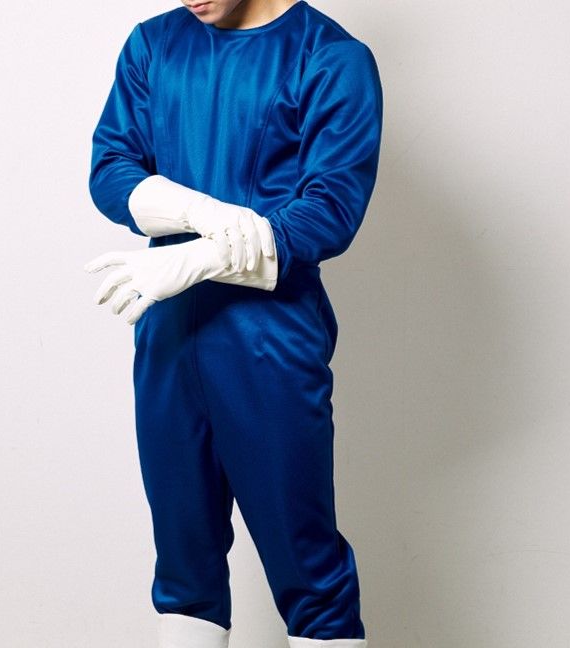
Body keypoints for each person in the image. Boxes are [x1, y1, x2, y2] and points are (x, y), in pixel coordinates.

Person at [84, 1, 383, 646]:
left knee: (310, 573)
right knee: (182, 568)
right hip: (167, 337)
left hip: (268, 340)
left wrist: (203, 257)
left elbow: (331, 208)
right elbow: (111, 168)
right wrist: (200, 212)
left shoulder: (331, 58)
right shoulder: (153, 45)